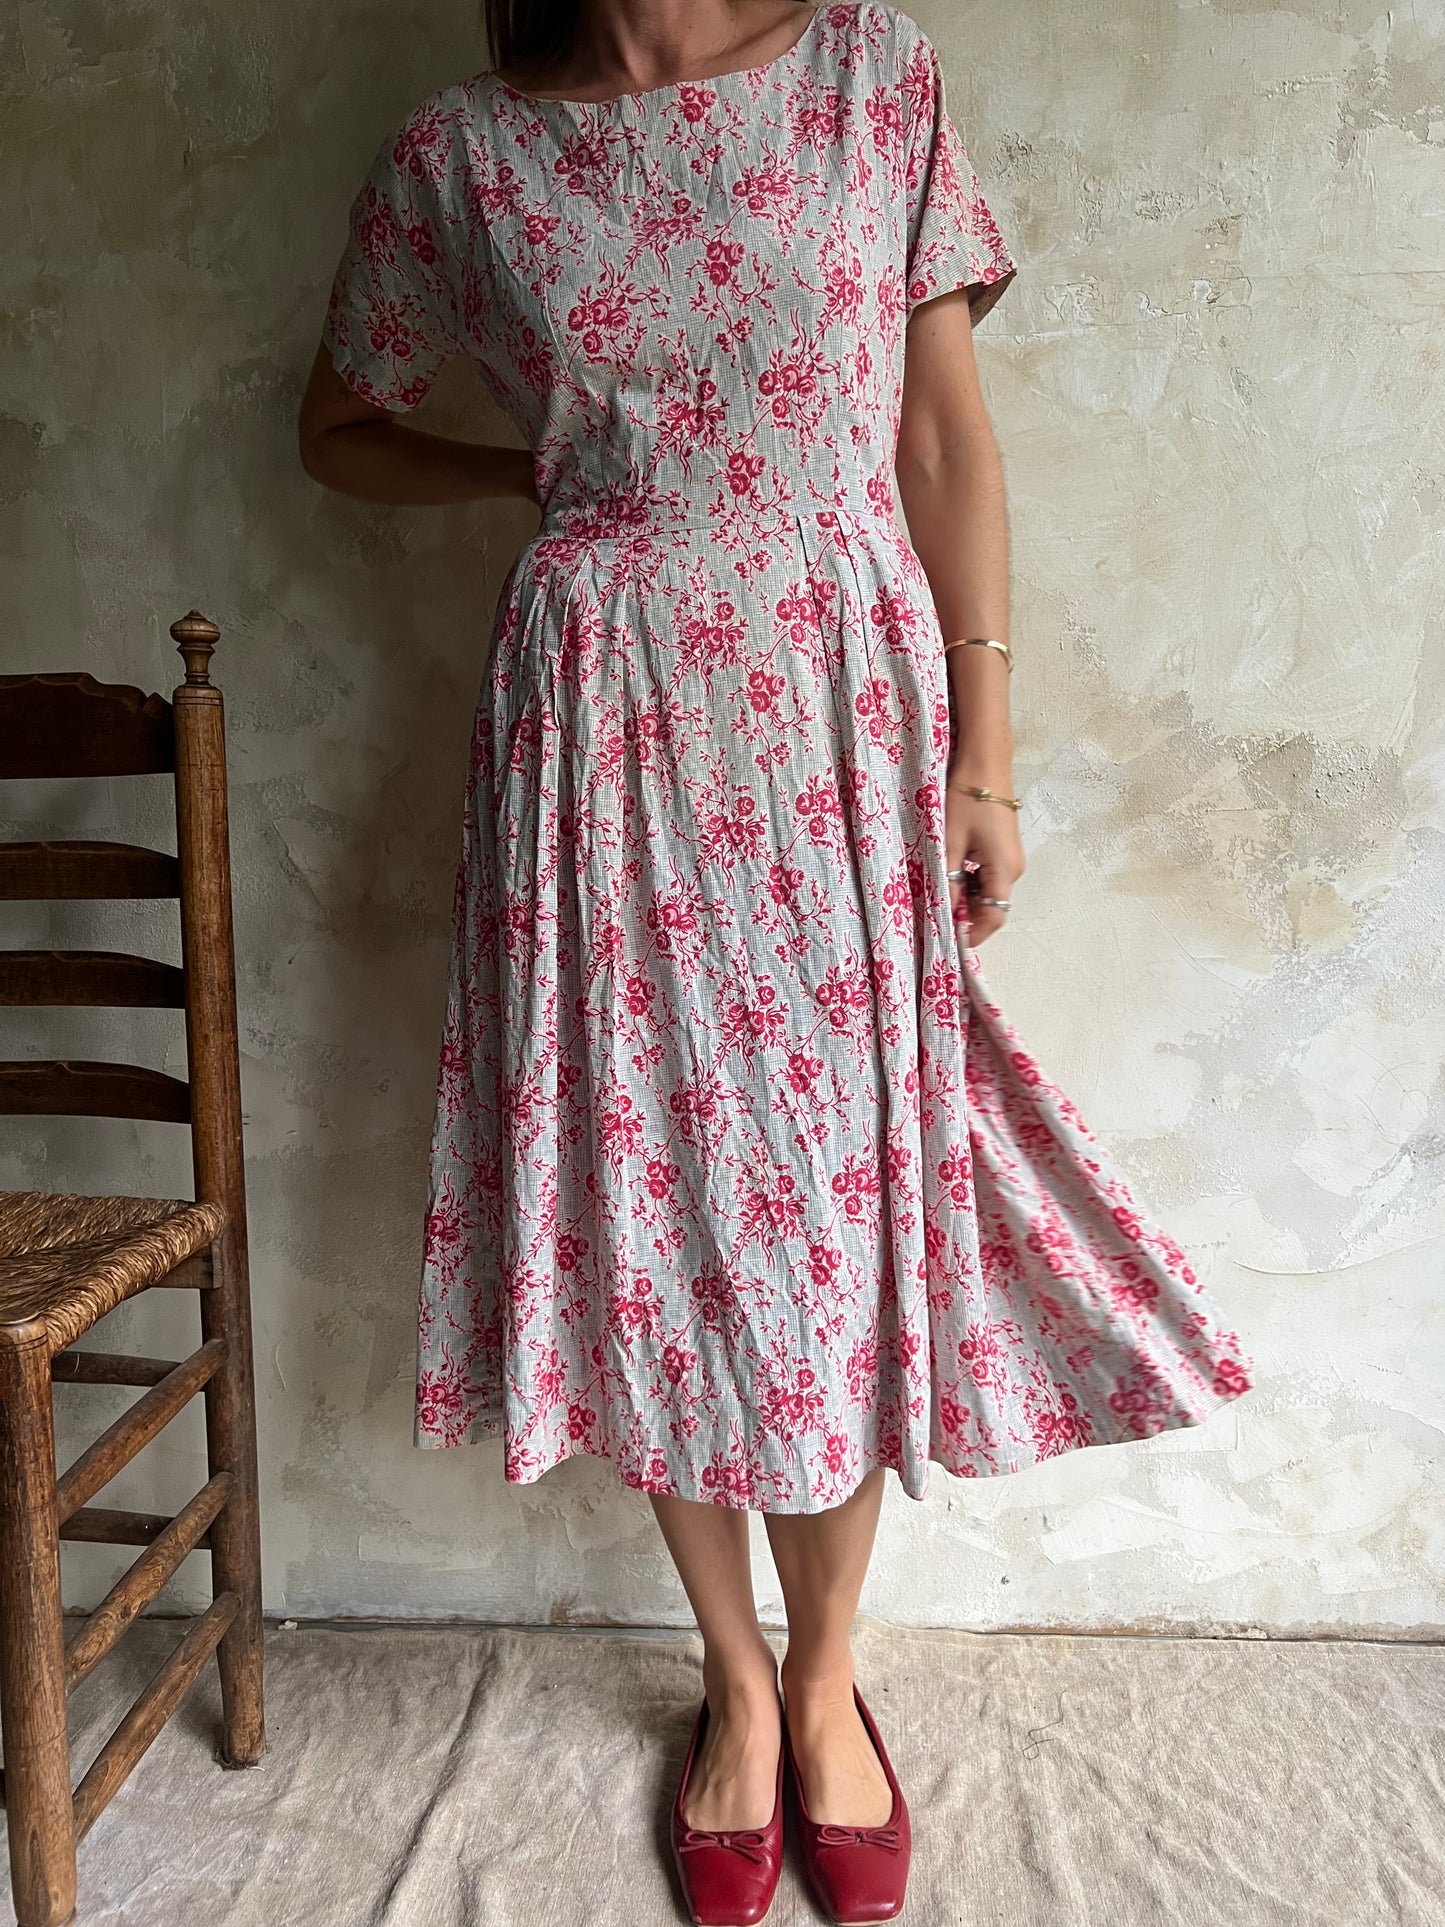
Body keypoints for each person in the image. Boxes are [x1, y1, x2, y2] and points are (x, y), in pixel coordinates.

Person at [298, 5, 1255, 1921]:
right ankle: (733, 1683)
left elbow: (940, 432)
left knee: (822, 1204)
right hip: (598, 720)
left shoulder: (864, 76)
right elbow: (338, 429)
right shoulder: (464, 155)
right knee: (639, 1199)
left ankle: (827, 1681)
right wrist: (536, 490)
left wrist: (984, 754)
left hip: (836, 700)